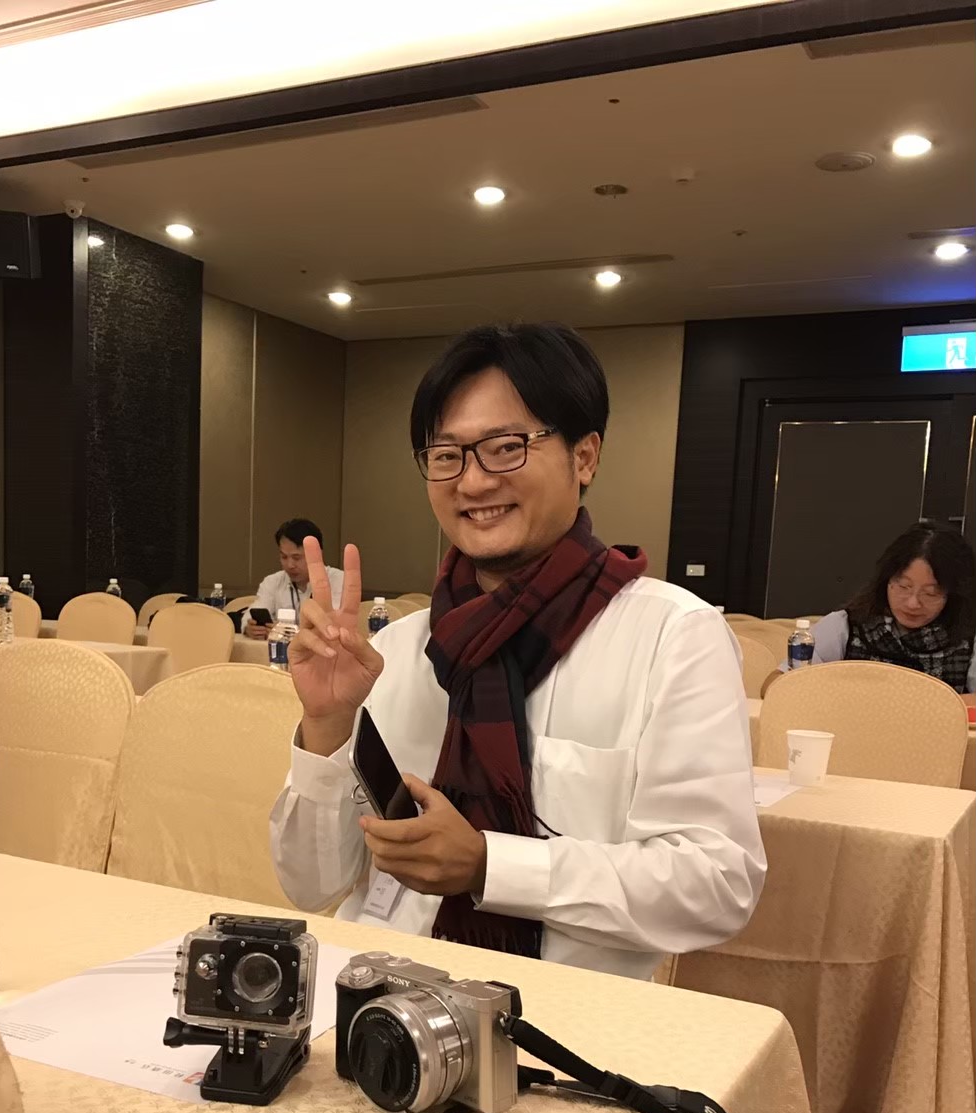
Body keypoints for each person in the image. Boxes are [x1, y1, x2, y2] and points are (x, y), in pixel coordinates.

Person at [270, 323, 765, 979]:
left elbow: (717, 883)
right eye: (446, 455)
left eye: (506, 448)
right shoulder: (394, 652)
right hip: (376, 998)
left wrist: (490, 866)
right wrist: (328, 725)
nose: (472, 483)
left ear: (584, 457)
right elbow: (310, 884)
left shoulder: (672, 637)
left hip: (561, 1018)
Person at [781, 521, 976, 693]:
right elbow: (779, 683)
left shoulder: (968, 638)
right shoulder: (846, 626)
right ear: (886, 580)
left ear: (954, 595)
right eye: (903, 586)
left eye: (930, 593)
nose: (912, 603)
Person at [242, 518, 344, 638]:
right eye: (284, 557)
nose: (290, 565)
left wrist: (290, 633)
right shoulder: (273, 582)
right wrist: (249, 627)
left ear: (317, 554)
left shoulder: (338, 580)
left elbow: (335, 626)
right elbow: (251, 613)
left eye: (296, 558)